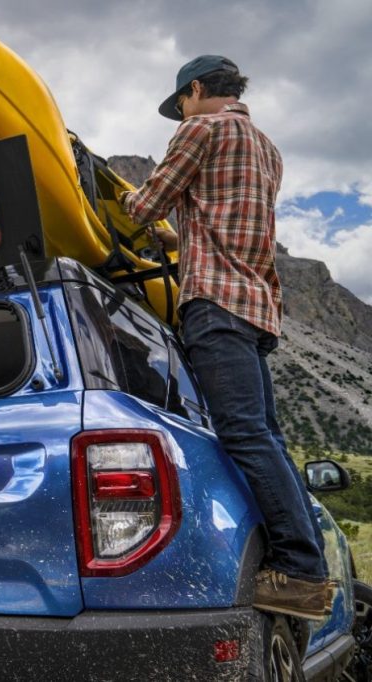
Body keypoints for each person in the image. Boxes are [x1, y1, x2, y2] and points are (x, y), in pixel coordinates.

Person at [119, 55, 330, 621]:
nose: (179, 115)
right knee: (267, 438)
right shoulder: (266, 147)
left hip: (214, 303)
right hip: (258, 308)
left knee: (243, 436)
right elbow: (219, 216)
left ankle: (301, 572)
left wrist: (119, 201)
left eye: (179, 105)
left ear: (194, 90)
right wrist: (180, 233)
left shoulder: (201, 128)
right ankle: (311, 560)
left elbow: (144, 207)